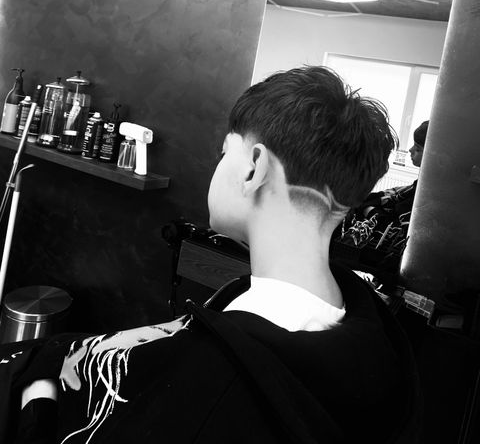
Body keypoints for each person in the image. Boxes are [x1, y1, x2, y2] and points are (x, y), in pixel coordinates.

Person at [0, 66, 421, 443]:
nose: (218, 166)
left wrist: (37, 391)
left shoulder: (209, 387)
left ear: (254, 167)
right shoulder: (370, 338)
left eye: (224, 153)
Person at [336, 121, 429, 267]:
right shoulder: (412, 189)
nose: (410, 150)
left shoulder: (419, 196)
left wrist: (370, 209)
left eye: (418, 148)